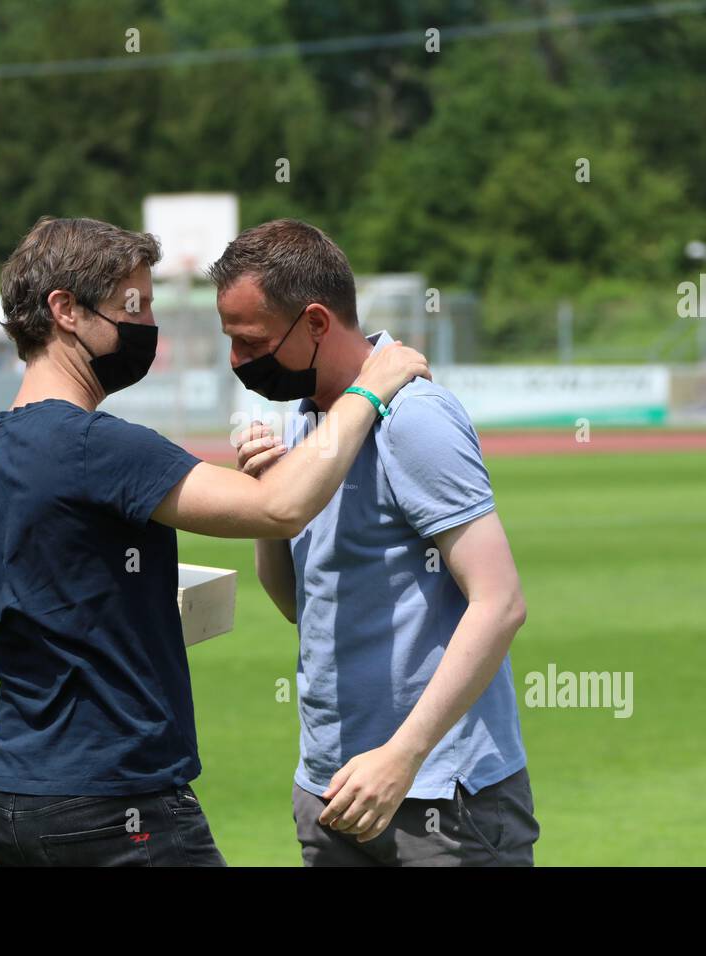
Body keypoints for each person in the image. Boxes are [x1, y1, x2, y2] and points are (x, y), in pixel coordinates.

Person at [0, 216, 429, 867]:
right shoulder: (101, 446)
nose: (146, 327)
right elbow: (280, 507)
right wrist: (371, 388)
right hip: (121, 807)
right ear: (65, 310)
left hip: (11, 805)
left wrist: (114, 623)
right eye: (131, 307)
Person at [209, 220, 536, 867]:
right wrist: (269, 500)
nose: (238, 363)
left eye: (250, 343)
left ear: (316, 324)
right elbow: (299, 605)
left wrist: (403, 756)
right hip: (333, 792)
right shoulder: (306, 422)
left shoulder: (414, 417)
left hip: (441, 799)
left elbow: (499, 603)